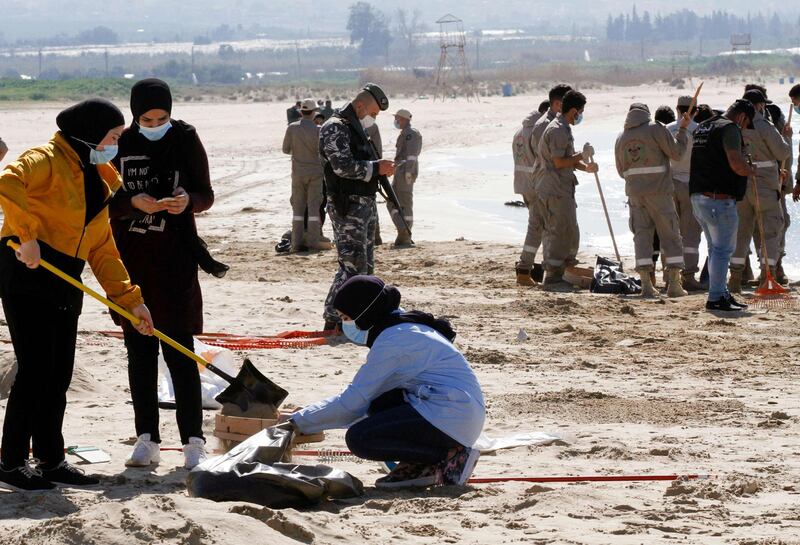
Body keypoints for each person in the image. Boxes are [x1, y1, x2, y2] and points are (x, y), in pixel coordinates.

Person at [0, 99, 154, 491]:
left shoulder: (100, 176)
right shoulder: (46, 158)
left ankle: (51, 461)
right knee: (34, 371)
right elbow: (8, 182)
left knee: (58, 374)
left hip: (66, 278)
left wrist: (131, 301)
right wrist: (28, 236)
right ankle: (10, 464)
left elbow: (103, 250)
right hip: (27, 270)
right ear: (90, 131)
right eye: (114, 136)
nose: (116, 144)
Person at [279, 275, 485, 489]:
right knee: (378, 403)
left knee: (361, 438)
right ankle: (420, 465)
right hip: (450, 410)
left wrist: (296, 421)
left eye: (346, 317)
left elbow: (351, 403)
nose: (344, 325)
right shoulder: (400, 326)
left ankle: (449, 456)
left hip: (450, 415)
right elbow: (364, 400)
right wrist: (309, 415)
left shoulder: (394, 341)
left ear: (364, 314)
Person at [110, 78, 219, 469]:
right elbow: (104, 200)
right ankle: (147, 438)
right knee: (139, 352)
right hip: (130, 264)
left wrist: (187, 202)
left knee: (179, 351)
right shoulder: (119, 142)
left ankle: (193, 441)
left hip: (176, 262)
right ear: (134, 115)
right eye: (147, 118)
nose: (156, 123)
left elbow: (205, 193)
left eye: (163, 117)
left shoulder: (186, 138)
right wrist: (131, 202)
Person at [319, 83, 394, 331]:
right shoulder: (335, 127)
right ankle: (333, 318)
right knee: (351, 264)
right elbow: (342, 166)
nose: (372, 118)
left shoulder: (356, 128)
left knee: (366, 267)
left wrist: (378, 170)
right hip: (346, 205)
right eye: (372, 113)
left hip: (364, 203)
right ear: (359, 105)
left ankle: (355, 318)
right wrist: (375, 167)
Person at [615, 103, 692, 298]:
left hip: (635, 194)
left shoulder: (621, 137)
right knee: (671, 235)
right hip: (659, 192)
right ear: (647, 114)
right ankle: (674, 284)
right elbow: (677, 154)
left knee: (642, 236)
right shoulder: (656, 129)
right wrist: (682, 130)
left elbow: (620, 170)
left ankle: (646, 285)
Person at [689, 99, 756, 311]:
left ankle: (722, 293)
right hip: (718, 199)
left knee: (714, 248)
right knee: (722, 250)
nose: (744, 129)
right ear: (742, 117)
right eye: (746, 125)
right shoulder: (729, 129)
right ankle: (716, 297)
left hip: (699, 196)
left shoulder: (703, 126)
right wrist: (750, 169)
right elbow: (736, 164)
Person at [727, 89, 792, 292]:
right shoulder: (764, 126)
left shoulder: (732, 126)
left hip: (740, 185)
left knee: (741, 232)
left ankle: (735, 279)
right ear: (760, 106)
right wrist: (787, 138)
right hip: (764, 186)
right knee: (770, 231)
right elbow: (782, 152)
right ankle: (767, 277)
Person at [535, 90, 597, 287]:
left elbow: (567, 159)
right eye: (581, 111)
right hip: (554, 189)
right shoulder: (557, 130)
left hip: (563, 188)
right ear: (573, 111)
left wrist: (585, 166)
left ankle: (563, 269)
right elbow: (560, 162)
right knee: (558, 230)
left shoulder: (564, 128)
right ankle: (553, 275)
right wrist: (582, 155)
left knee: (569, 230)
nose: (581, 115)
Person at [282, 99, 331, 252]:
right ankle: (313, 241)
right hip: (316, 174)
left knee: (298, 208)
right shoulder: (319, 130)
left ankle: (296, 243)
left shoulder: (292, 128)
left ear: (301, 111)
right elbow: (325, 152)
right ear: (314, 112)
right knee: (314, 208)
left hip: (298, 173)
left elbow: (285, 149)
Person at [667, 95, 703, 291]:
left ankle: (669, 274)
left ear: (677, 109)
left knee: (671, 231)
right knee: (691, 234)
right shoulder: (699, 130)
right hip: (691, 185)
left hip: (670, 185)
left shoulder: (666, 129)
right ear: (695, 111)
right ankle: (688, 276)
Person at [512, 98, 550, 286]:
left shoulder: (520, 131)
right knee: (537, 228)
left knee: (538, 226)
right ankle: (525, 269)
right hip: (536, 186)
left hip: (523, 185)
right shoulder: (538, 130)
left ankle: (530, 267)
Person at [388, 109, 422, 247]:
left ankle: (405, 234)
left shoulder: (411, 134)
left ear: (403, 119)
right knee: (391, 201)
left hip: (405, 172)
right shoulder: (404, 133)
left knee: (405, 202)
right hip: (399, 171)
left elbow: (412, 155)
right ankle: (402, 230)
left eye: (397, 118)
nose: (395, 121)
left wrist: (408, 172)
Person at [366, 122, 384, 246]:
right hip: (371, 167)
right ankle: (375, 236)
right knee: (371, 201)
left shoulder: (345, 124)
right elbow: (378, 149)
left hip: (355, 169)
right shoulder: (372, 125)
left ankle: (375, 235)